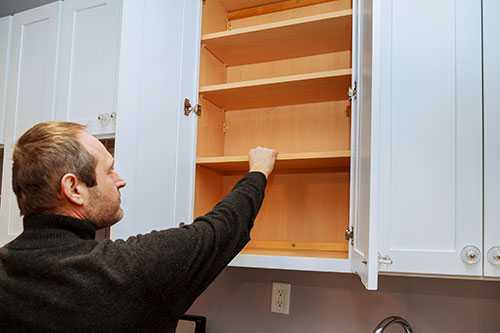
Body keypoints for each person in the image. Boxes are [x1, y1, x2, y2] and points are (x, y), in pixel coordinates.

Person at [0, 121, 277, 332]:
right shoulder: (131, 269)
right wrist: (259, 171)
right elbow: (225, 227)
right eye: (109, 170)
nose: (119, 180)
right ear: (74, 188)